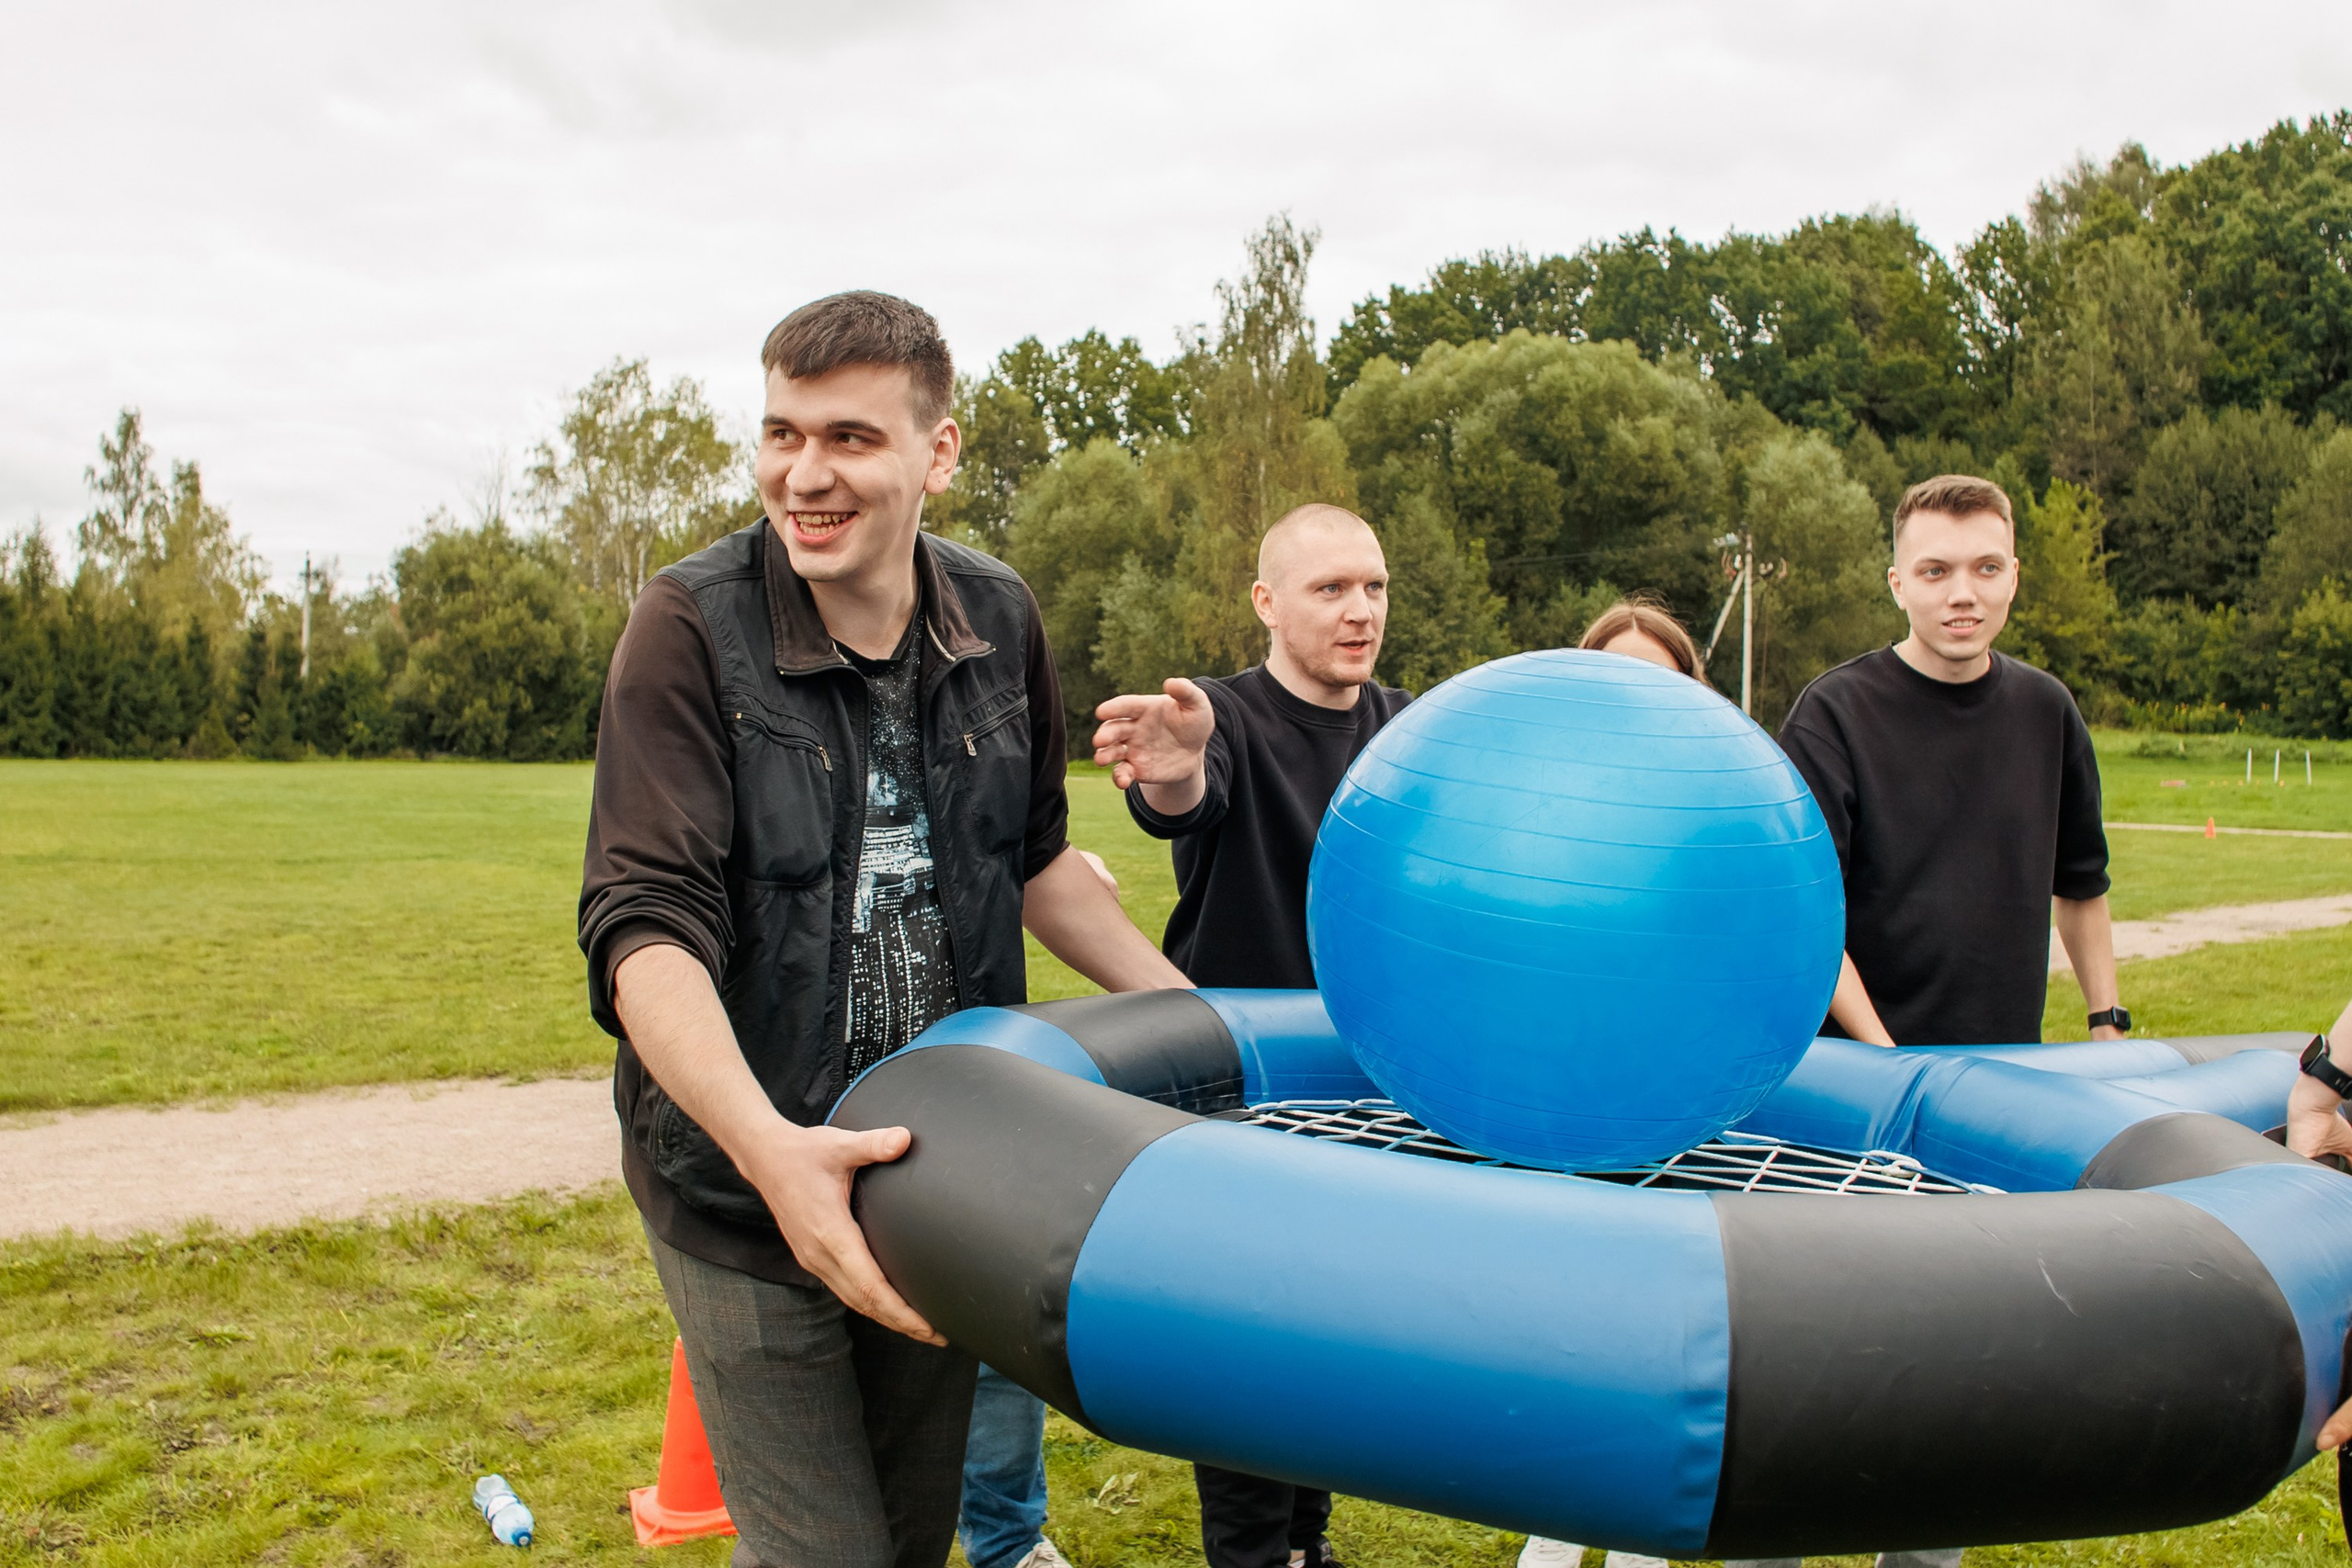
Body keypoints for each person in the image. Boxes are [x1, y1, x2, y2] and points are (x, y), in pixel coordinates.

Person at [578, 290, 1190, 1568]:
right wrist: (771, 1154)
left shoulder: (999, 617)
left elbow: (1035, 861)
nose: (804, 475)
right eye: (782, 433)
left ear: (938, 451)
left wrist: (1198, 1019)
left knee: (908, 1542)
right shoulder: (688, 628)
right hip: (741, 1188)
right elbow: (645, 929)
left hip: (940, 1171)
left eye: (849, 438)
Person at [1091, 502, 1410, 1568]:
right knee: (1244, 1344)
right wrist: (1175, 766)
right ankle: (1252, 1556)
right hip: (1242, 1095)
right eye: (1330, 588)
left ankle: (1306, 1545)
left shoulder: (1409, 729)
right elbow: (1184, 794)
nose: (1359, 610)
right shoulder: (1216, 715)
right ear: (1267, 604)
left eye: (1372, 586)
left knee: (1330, 1336)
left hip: (1375, 1095)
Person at [1779, 473, 2126, 1054]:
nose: (1962, 593)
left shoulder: (2049, 711)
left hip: (2009, 1069)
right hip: (1864, 1074)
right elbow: (1805, 915)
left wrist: (2106, 1023)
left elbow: (2082, 886)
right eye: (1935, 571)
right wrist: (1887, 1059)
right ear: (1898, 585)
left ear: (2013, 578)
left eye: (1987, 568)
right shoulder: (1832, 715)